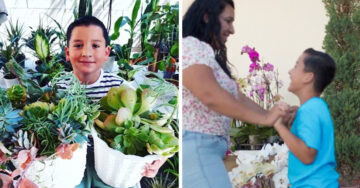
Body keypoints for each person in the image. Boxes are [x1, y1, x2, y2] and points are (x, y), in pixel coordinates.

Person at [182, 0, 288, 187]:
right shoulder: (191, 46)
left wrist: (274, 116)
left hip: (206, 149)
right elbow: (209, 95)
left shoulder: (206, 54)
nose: (232, 30)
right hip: (197, 147)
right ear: (207, 17)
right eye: (228, 21)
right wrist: (265, 119)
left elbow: (236, 97)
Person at [59, 16, 165, 188]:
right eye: (78, 45)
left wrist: (159, 159)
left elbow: (158, 125)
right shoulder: (57, 87)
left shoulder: (121, 88)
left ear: (106, 52)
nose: (86, 52)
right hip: (71, 162)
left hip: (114, 165)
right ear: (67, 52)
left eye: (95, 45)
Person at [273, 48, 339, 187]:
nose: (290, 71)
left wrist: (279, 126)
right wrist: (291, 126)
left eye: (296, 66)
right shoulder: (314, 107)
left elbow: (307, 155)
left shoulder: (310, 109)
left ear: (308, 77)